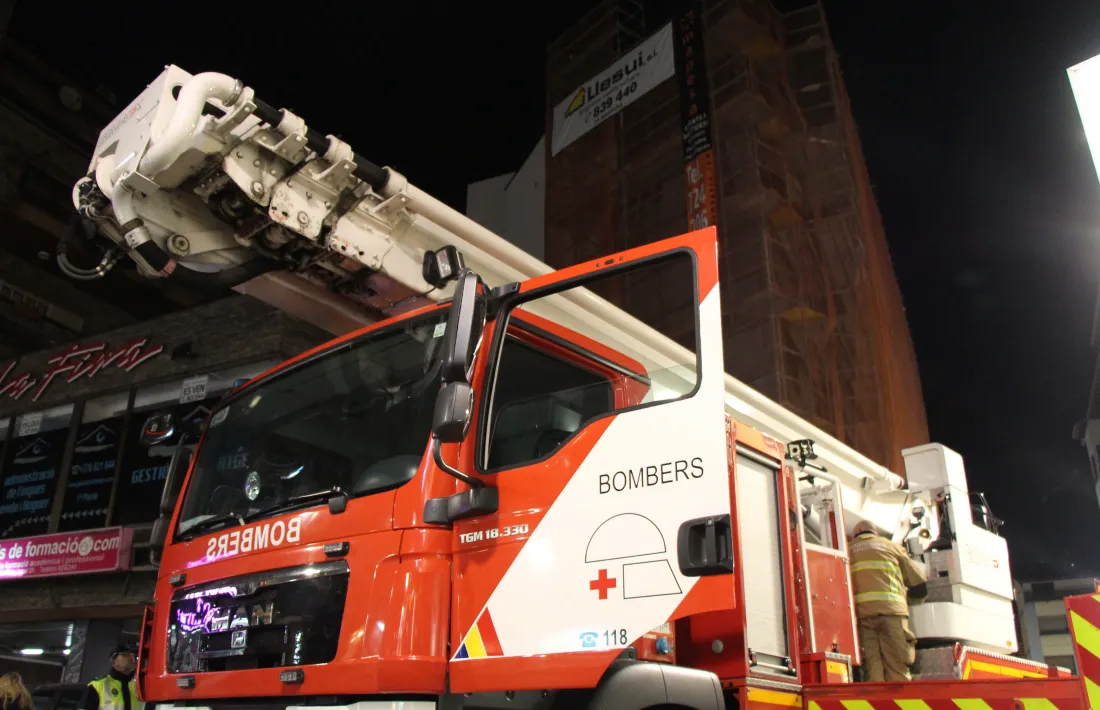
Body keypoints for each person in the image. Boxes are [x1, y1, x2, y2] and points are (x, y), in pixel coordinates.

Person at [850, 520, 928, 682]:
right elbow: (919, 583)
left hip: (862, 616)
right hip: (893, 614)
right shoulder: (891, 547)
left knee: (872, 669)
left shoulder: (848, 550)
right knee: (897, 666)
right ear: (875, 532)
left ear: (857, 531)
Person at [79, 645, 143, 710]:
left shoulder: (139, 686)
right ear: (113, 662)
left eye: (133, 655)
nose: (131, 657)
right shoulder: (98, 685)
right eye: (125, 654)